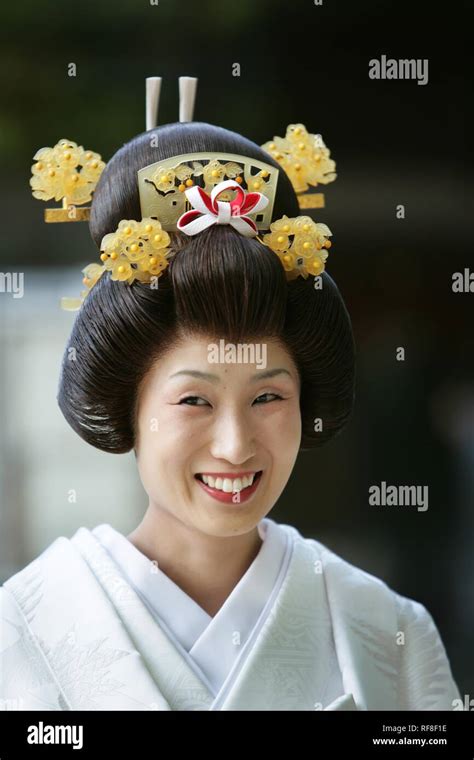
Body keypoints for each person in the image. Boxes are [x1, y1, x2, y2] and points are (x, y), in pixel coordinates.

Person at [0, 78, 461, 711]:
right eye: (194, 401)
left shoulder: (387, 632)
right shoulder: (24, 628)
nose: (236, 444)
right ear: (127, 405)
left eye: (268, 398)